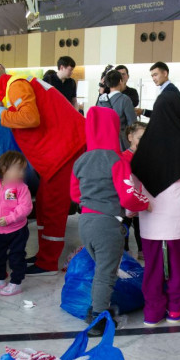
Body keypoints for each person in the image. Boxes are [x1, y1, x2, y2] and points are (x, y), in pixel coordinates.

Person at [0, 72, 85, 276]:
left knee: (52, 205)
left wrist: (3, 115)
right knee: (43, 202)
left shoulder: (15, 86)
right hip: (60, 148)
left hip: (66, 149)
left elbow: (30, 117)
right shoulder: (18, 85)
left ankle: (48, 263)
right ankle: (43, 255)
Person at [70, 107, 150, 337]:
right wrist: (145, 204)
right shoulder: (116, 160)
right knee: (106, 273)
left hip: (85, 222)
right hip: (107, 224)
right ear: (114, 129)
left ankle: (96, 308)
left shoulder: (81, 160)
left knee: (101, 270)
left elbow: (75, 195)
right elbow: (128, 197)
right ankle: (99, 319)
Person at [131, 83, 180, 326]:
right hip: (177, 214)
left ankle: (152, 312)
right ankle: (175, 310)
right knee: (177, 263)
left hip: (149, 216)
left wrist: (135, 206)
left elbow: (134, 181)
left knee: (152, 264)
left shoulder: (145, 145)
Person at [0, 151, 33, 296]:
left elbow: (25, 207)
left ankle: (16, 282)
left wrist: (9, 219)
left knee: (17, 257)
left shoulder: (22, 188)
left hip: (17, 230)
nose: (22, 173)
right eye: (18, 169)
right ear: (4, 169)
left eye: (23, 169)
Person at [121, 122, 147, 258]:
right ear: (130, 137)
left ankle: (142, 251)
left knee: (140, 226)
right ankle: (125, 251)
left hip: (142, 197)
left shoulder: (147, 158)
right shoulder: (124, 157)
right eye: (140, 138)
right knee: (125, 225)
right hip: (128, 198)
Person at [98, 69, 137, 150]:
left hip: (103, 142)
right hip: (120, 142)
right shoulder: (125, 99)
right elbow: (132, 123)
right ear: (120, 81)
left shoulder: (101, 100)